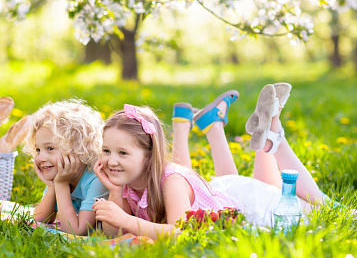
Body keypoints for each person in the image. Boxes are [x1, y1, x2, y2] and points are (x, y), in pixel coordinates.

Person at [92, 84, 328, 239]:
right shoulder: (128, 185)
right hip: (231, 194)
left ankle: (273, 133)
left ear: (149, 155)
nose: (112, 160)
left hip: (252, 207)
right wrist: (114, 192)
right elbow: (113, 233)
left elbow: (179, 233)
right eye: (106, 150)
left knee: (322, 211)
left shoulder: (171, 182)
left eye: (122, 153)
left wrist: (127, 220)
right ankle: (270, 134)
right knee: (292, 198)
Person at [23, 99, 109, 235]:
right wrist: (52, 186)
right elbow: (40, 219)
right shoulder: (62, 175)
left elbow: (77, 231)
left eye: (50, 148)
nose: (40, 158)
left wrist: (61, 185)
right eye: (38, 149)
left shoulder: (97, 179)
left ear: (79, 149)